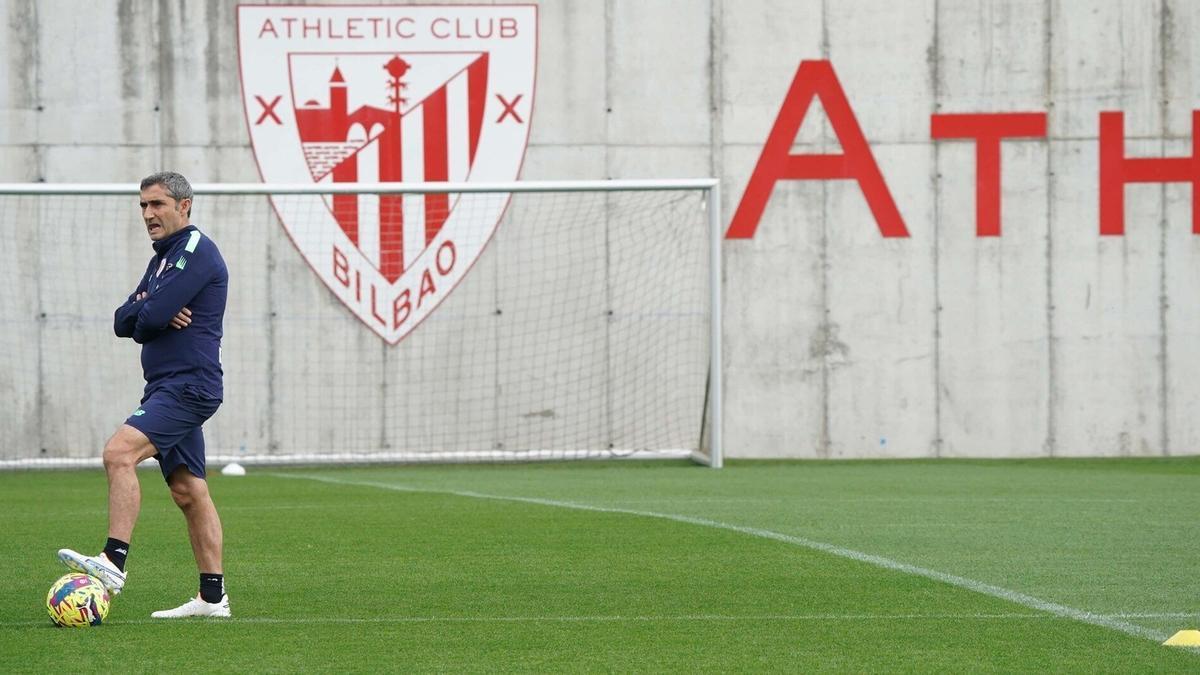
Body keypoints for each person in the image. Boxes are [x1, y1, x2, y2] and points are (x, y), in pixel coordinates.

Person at [58, 171, 232, 618]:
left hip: (188, 386)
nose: (148, 214)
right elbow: (124, 320)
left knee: (118, 453)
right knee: (188, 490)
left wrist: (152, 311)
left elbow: (151, 316)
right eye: (143, 206)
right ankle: (213, 599)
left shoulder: (194, 250)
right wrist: (150, 311)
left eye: (157, 204)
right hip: (166, 386)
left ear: (184, 205)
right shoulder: (163, 259)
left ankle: (113, 560)